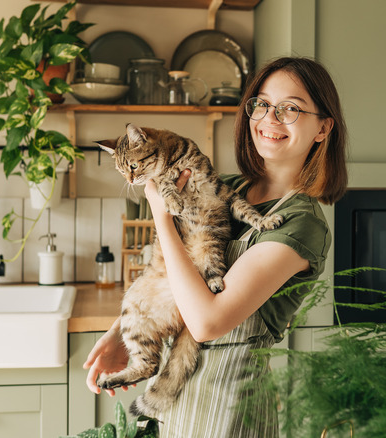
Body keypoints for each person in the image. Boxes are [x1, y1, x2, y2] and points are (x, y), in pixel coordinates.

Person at [83, 57, 348, 437]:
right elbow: (166, 272)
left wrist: (161, 216)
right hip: (172, 400)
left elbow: (207, 322)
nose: (270, 119)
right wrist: (120, 334)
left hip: (226, 412)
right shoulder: (225, 185)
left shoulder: (301, 223)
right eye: (262, 104)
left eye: (290, 108)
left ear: (323, 128)